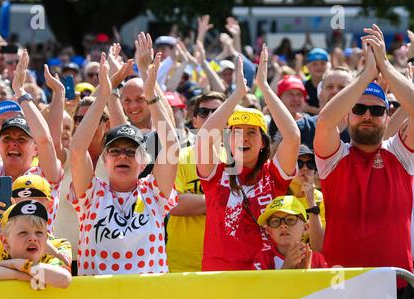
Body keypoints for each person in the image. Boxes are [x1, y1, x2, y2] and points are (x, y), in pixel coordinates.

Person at [314, 24, 414, 294]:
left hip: (398, 285)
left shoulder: (400, 153)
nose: (367, 115)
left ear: (386, 116)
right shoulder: (334, 158)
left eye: (376, 110)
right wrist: (367, 76)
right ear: (348, 115)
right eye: (359, 108)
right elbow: (324, 122)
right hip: (342, 286)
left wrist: (385, 66)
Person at [68, 53, 179, 275]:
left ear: (143, 161)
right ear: (105, 158)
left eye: (131, 151)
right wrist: (102, 97)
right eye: (115, 151)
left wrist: (152, 98)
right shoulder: (92, 194)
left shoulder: (154, 193)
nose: (123, 156)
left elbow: (171, 148)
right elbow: (78, 150)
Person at [196, 46, 300, 271]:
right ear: (228, 140)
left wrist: (264, 88)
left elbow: (292, 137)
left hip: (266, 278)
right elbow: (204, 137)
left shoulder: (273, 175)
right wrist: (237, 95)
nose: (243, 137)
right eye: (236, 132)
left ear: (263, 142)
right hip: (219, 279)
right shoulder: (217, 173)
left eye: (251, 132)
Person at [0, 52, 63, 243]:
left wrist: (20, 92)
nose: (13, 143)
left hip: (33, 268)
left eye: (22, 138)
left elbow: (45, 140)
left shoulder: (45, 175)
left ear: (35, 149)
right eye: (7, 138)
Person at [167, 91, 226, 272]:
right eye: (203, 113)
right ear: (194, 121)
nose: (209, 118)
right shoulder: (177, 157)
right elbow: (173, 204)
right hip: (182, 263)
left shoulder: (240, 160)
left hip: (226, 263)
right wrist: (224, 202)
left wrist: (194, 202)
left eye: (216, 113)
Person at [0, 200, 71, 289]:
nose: (33, 238)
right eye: (23, 233)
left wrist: (18, 264)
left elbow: (63, 279)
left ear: (46, 239)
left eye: (39, 233)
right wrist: (17, 274)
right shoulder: (3, 262)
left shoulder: (49, 261)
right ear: (5, 242)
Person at [253, 195, 327, 270]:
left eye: (290, 219)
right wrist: (287, 266)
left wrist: (305, 273)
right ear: (270, 232)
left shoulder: (317, 259)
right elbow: (259, 282)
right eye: (275, 221)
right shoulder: (262, 259)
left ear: (305, 228)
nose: (283, 225)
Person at [287, 145, 325, 252]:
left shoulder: (321, 199)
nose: (305, 168)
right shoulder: (278, 194)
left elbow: (319, 247)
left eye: (310, 164)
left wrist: (311, 202)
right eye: (298, 163)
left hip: (313, 261)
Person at [304, 48, 329, 114]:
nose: (319, 67)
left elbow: (332, 112)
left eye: (322, 63)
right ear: (308, 66)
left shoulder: (332, 86)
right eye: (315, 64)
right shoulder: (302, 86)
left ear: (327, 66)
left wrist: (308, 109)